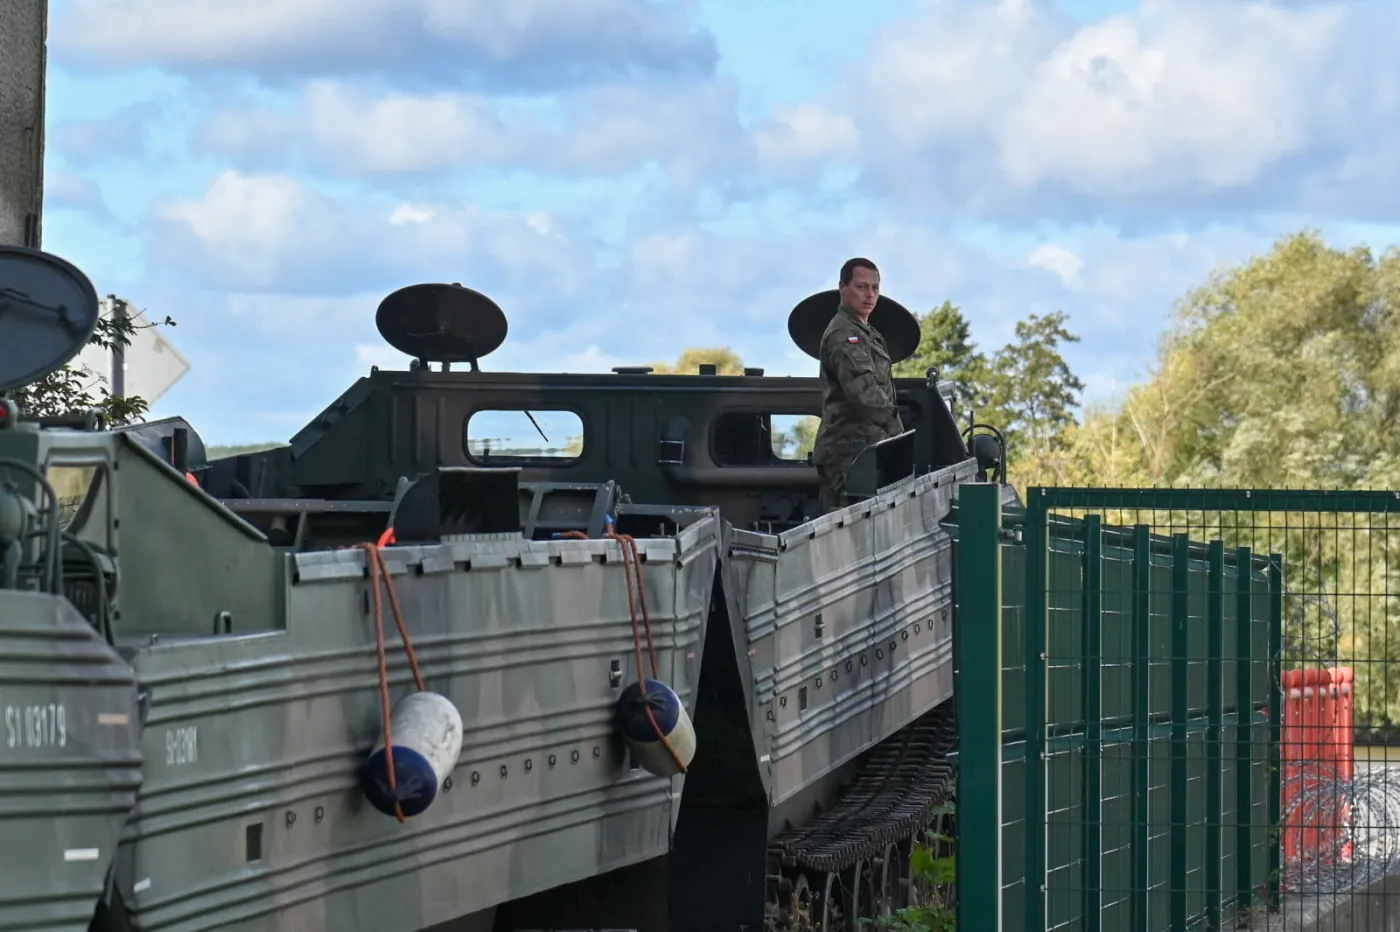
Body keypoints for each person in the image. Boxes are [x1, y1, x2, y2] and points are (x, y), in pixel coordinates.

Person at [812, 257, 904, 513]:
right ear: (842, 287)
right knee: (847, 534)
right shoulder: (844, 335)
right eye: (861, 287)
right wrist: (898, 430)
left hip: (866, 449)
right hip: (847, 453)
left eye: (875, 288)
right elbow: (864, 394)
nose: (870, 295)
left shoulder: (867, 333)